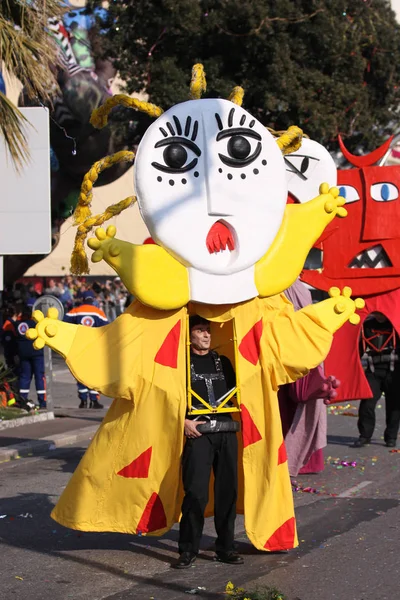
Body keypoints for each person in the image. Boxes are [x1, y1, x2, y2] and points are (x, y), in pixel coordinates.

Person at [174, 316, 243, 569]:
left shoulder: (223, 361)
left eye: (208, 330)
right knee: (195, 493)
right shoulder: (180, 364)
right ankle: (188, 549)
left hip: (226, 433)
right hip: (198, 435)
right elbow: (169, 397)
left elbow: (242, 390)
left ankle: (226, 548)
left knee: (227, 492)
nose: (206, 335)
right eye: (200, 330)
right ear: (189, 335)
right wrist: (183, 421)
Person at [353, 311, 400, 448]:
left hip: (395, 371)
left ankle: (391, 437)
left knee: (394, 406)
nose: (379, 316)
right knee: (367, 403)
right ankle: (365, 436)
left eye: (382, 313)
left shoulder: (396, 323)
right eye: (377, 313)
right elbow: (358, 349)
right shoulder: (367, 325)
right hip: (373, 370)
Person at [64, 298, 108, 408]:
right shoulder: (98, 312)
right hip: (94, 348)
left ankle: (83, 400)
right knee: (94, 374)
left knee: (80, 374)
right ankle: (94, 400)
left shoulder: (76, 310)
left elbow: (64, 322)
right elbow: (107, 327)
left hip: (79, 348)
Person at [12, 302, 46, 409]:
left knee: (25, 377)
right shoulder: (36, 324)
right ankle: (42, 402)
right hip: (37, 354)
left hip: (23, 355)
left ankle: (22, 400)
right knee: (39, 378)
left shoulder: (18, 325)